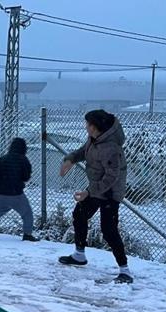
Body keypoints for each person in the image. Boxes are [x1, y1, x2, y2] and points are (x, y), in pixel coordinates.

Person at [57, 109, 133, 284]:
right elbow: (84, 151)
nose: (86, 127)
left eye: (88, 124)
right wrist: (70, 159)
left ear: (95, 127)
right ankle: (79, 255)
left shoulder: (111, 148)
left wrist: (89, 192)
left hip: (110, 192)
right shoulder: (95, 139)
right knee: (79, 214)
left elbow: (111, 177)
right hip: (96, 188)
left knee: (109, 229)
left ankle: (125, 271)